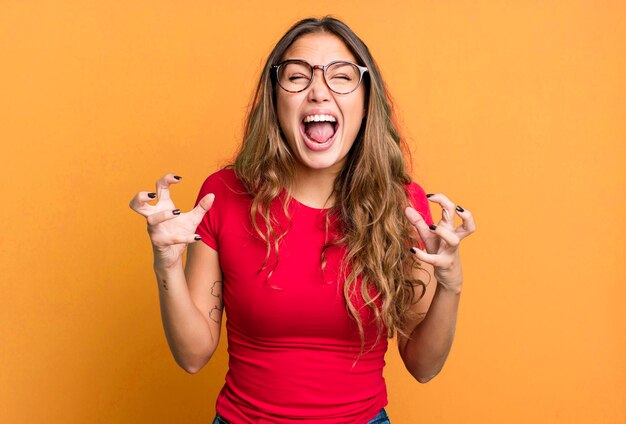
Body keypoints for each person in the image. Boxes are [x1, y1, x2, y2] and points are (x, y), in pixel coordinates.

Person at [129, 16, 475, 424]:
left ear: (366, 102)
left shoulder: (402, 206)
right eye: (297, 77)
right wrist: (166, 263)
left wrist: (450, 286)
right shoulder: (222, 196)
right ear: (276, 101)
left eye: (341, 77)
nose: (318, 93)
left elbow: (424, 366)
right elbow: (192, 356)